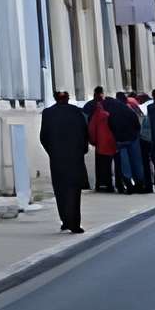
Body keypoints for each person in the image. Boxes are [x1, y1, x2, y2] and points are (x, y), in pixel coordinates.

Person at [39, 89, 91, 232]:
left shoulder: (48, 114)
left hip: (57, 159)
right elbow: (85, 133)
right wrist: (82, 150)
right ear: (68, 99)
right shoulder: (77, 112)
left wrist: (52, 152)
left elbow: (43, 137)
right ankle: (74, 223)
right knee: (74, 190)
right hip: (75, 157)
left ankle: (65, 220)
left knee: (60, 190)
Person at [107, 89, 145, 193]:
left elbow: (110, 125)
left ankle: (129, 185)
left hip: (120, 141)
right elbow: (137, 124)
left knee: (125, 164)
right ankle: (139, 184)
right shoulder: (129, 110)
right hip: (132, 138)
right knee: (136, 161)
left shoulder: (112, 112)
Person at [86, 86, 117, 193]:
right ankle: (109, 185)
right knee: (109, 165)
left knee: (100, 165)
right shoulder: (109, 107)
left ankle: (101, 184)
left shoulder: (91, 106)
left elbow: (91, 127)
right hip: (110, 141)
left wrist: (92, 140)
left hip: (100, 142)